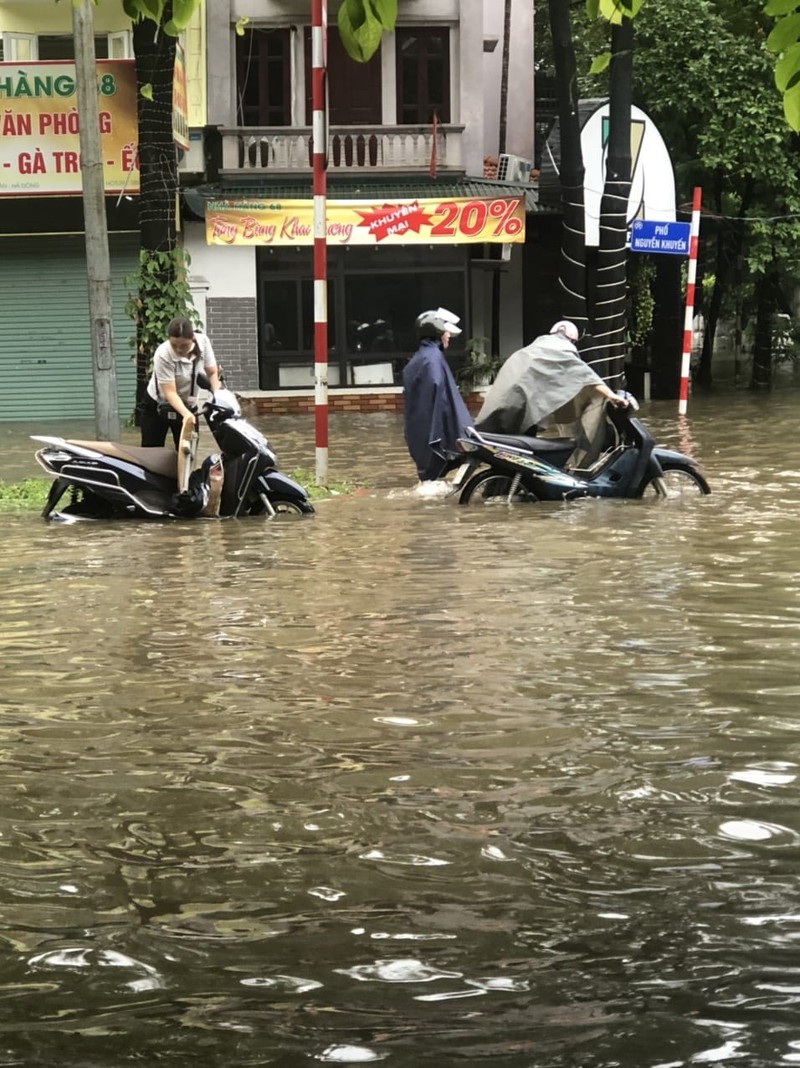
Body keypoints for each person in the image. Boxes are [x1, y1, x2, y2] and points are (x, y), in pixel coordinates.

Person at [475, 320, 628, 439]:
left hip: (497, 409)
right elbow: (587, 377)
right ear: (573, 341)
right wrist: (612, 396)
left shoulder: (530, 351)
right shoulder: (561, 352)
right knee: (525, 450)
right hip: (517, 410)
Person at [402, 307, 474, 483]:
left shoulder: (421, 358)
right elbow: (439, 395)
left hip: (418, 429)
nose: (448, 336)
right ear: (437, 333)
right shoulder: (433, 358)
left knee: (429, 477)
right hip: (432, 428)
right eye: (446, 332)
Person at [140, 317, 222, 448]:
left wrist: (219, 397)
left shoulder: (203, 343)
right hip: (157, 404)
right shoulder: (163, 354)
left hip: (188, 404)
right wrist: (186, 415)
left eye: (184, 345)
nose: (178, 349)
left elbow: (212, 373)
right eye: (174, 345)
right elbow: (170, 392)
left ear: (193, 339)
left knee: (187, 450)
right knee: (152, 451)